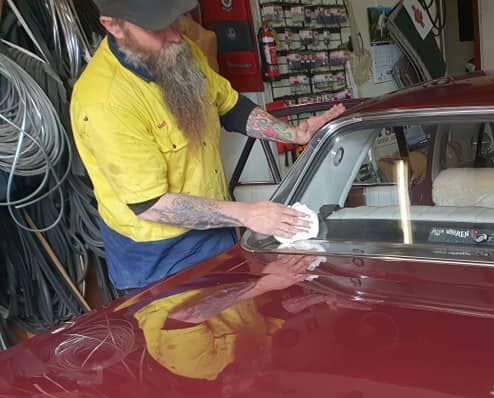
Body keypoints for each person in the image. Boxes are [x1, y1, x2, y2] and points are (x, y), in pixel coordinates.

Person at [70, 0, 346, 294]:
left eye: (176, 20)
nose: (176, 35)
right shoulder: (104, 103)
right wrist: (249, 214)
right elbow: (150, 205)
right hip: (159, 261)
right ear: (113, 25)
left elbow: (229, 105)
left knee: (232, 332)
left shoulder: (177, 51)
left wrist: (291, 134)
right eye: (158, 28)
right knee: (188, 338)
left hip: (216, 233)